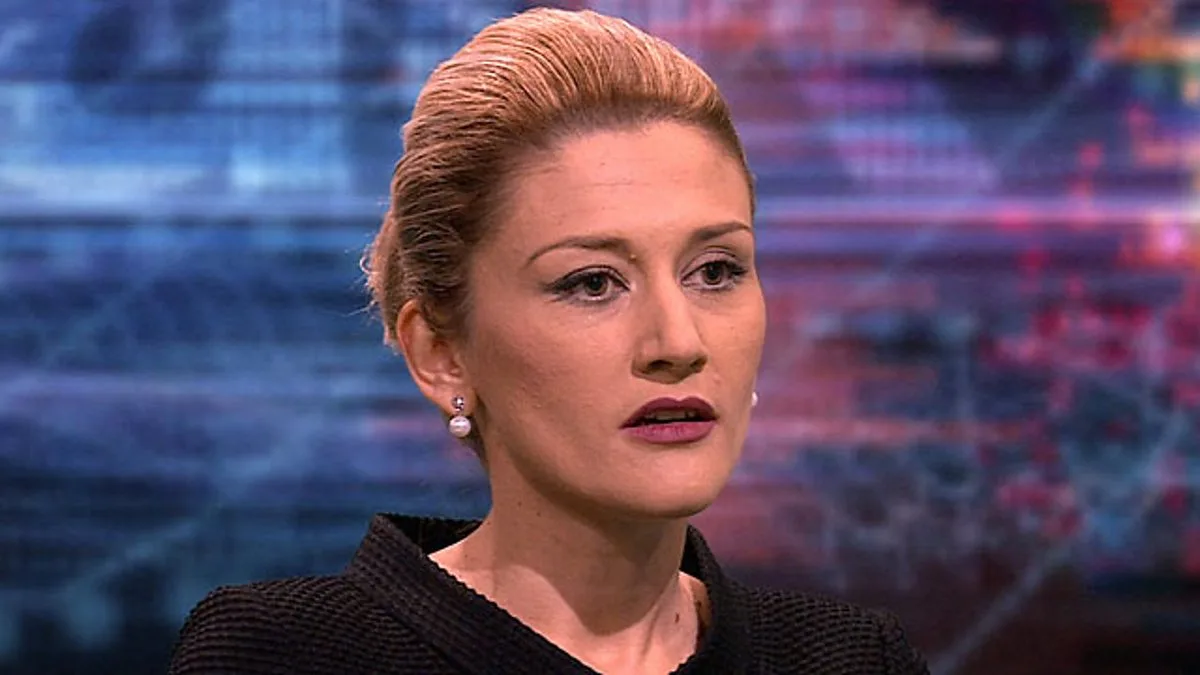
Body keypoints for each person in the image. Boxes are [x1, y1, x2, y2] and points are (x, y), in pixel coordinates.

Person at [169, 7, 929, 674]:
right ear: (441, 353)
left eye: (715, 271)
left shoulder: (853, 657)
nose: (678, 340)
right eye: (592, 283)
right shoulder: (283, 652)